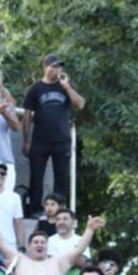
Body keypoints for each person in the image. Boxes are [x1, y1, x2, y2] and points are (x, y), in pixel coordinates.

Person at [22, 54, 85, 215]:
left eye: (59, 67)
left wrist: (67, 87)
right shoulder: (35, 88)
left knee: (61, 177)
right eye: (54, 66)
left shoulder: (66, 85)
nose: (57, 70)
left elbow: (80, 104)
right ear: (45, 67)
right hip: (40, 140)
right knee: (36, 177)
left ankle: (59, 211)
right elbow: (27, 115)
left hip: (61, 140)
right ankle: (35, 210)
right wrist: (26, 140)